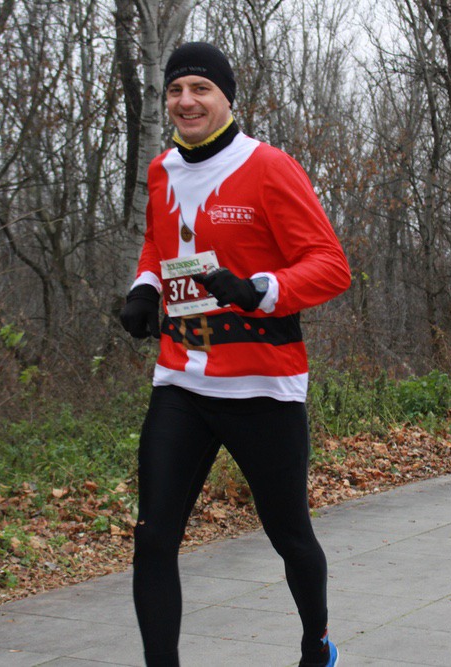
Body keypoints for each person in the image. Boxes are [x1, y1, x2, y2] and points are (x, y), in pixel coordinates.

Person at [118, 41, 350, 667]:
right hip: (182, 380)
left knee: (289, 535)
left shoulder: (268, 166)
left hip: (261, 386)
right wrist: (145, 288)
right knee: (153, 538)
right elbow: (158, 244)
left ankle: (316, 645)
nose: (186, 101)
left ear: (227, 99)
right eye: (175, 90)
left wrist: (260, 290)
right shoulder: (162, 170)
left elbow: (330, 266)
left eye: (201, 89)